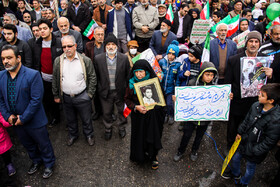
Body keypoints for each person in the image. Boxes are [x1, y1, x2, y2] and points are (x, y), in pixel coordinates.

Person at [0, 45, 55, 179]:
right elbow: (0, 99)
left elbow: (36, 100)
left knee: (43, 143)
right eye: (3, 59)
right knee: (28, 144)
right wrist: (8, 117)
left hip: (34, 120)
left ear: (18, 58)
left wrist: (23, 118)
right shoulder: (1, 76)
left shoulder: (32, 75)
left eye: (9, 58)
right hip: (15, 122)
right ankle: (36, 161)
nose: (6, 61)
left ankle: (49, 163)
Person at [222, 83, 280, 186]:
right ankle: (236, 174)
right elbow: (246, 120)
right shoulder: (255, 106)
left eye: (262, 95)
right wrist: (240, 132)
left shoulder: (275, 120)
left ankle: (243, 183)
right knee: (235, 159)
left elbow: (270, 141)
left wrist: (255, 150)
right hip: (244, 141)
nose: (258, 95)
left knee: (250, 169)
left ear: (271, 101)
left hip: (255, 151)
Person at [224, 31, 273, 153]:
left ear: (260, 44)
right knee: (233, 125)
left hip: (255, 101)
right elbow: (228, 80)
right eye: (251, 41)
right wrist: (227, 93)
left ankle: (243, 146)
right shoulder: (234, 59)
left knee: (250, 125)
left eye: (256, 42)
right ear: (246, 43)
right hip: (237, 99)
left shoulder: (265, 60)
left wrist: (270, 75)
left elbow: (270, 83)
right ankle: (230, 146)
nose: (253, 44)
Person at [52, 35, 96, 146]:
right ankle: (73, 135)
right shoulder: (58, 61)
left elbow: (92, 77)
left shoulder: (85, 60)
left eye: (69, 46)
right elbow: (55, 79)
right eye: (64, 47)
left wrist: (89, 94)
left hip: (82, 96)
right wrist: (56, 95)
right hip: (66, 97)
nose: (67, 49)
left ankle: (89, 135)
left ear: (75, 46)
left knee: (86, 119)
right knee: (70, 119)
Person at [174, 61, 221, 162]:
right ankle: (180, 151)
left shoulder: (215, 88)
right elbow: (184, 98)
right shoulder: (192, 83)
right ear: (201, 74)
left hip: (205, 119)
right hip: (191, 117)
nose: (209, 77)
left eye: (212, 75)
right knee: (186, 135)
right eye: (207, 74)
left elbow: (219, 101)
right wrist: (177, 98)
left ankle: (194, 151)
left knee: (199, 137)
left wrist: (227, 97)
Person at [124, 59, 165, 169]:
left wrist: (155, 107)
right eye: (136, 72)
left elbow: (162, 99)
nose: (139, 74)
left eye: (141, 71)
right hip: (138, 116)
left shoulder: (154, 82)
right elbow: (127, 99)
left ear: (147, 71)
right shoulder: (131, 83)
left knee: (152, 135)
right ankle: (139, 156)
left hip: (153, 117)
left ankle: (153, 157)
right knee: (139, 136)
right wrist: (136, 107)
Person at [94, 33, 130, 140]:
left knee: (121, 111)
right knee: (106, 112)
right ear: (105, 46)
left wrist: (127, 90)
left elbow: (128, 75)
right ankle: (108, 129)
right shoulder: (98, 59)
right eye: (108, 44)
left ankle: (121, 127)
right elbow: (96, 76)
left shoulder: (124, 58)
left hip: (120, 91)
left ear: (117, 46)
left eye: (113, 44)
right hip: (105, 91)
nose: (111, 46)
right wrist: (99, 89)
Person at [29, 18, 63, 127]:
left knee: (60, 99)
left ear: (51, 29)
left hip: (58, 78)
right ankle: (53, 117)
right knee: (48, 100)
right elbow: (35, 62)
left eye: (45, 28)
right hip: (43, 78)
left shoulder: (59, 42)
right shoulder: (36, 44)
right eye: (40, 29)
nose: (42, 31)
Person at [159, 40, 181, 125]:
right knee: (163, 103)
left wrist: (176, 91)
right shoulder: (162, 62)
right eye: (169, 53)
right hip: (162, 87)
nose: (170, 56)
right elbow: (157, 73)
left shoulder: (178, 65)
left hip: (170, 89)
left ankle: (171, 115)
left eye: (173, 54)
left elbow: (178, 79)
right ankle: (165, 114)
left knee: (169, 104)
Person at [0, 112, 16, 176]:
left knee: (5, 154)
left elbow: (3, 120)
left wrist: (12, 121)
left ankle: (9, 164)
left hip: (1, 139)